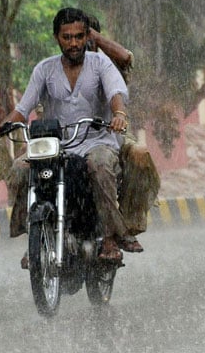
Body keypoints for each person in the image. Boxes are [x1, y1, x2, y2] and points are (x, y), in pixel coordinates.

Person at [0, 7, 134, 263]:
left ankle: (109, 239)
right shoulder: (44, 69)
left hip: (97, 142)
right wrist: (2, 125)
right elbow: (22, 109)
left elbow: (115, 94)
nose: (73, 43)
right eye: (67, 37)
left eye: (78, 36)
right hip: (56, 145)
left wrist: (119, 114)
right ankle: (34, 235)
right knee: (20, 167)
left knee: (99, 165)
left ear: (87, 36)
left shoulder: (101, 64)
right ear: (57, 37)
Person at [85, 15, 160, 253]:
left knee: (139, 155)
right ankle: (38, 240)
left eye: (83, 36)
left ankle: (126, 227)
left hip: (110, 134)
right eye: (71, 37)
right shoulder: (56, 66)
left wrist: (95, 38)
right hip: (69, 137)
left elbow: (127, 58)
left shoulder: (109, 65)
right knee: (27, 163)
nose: (77, 44)